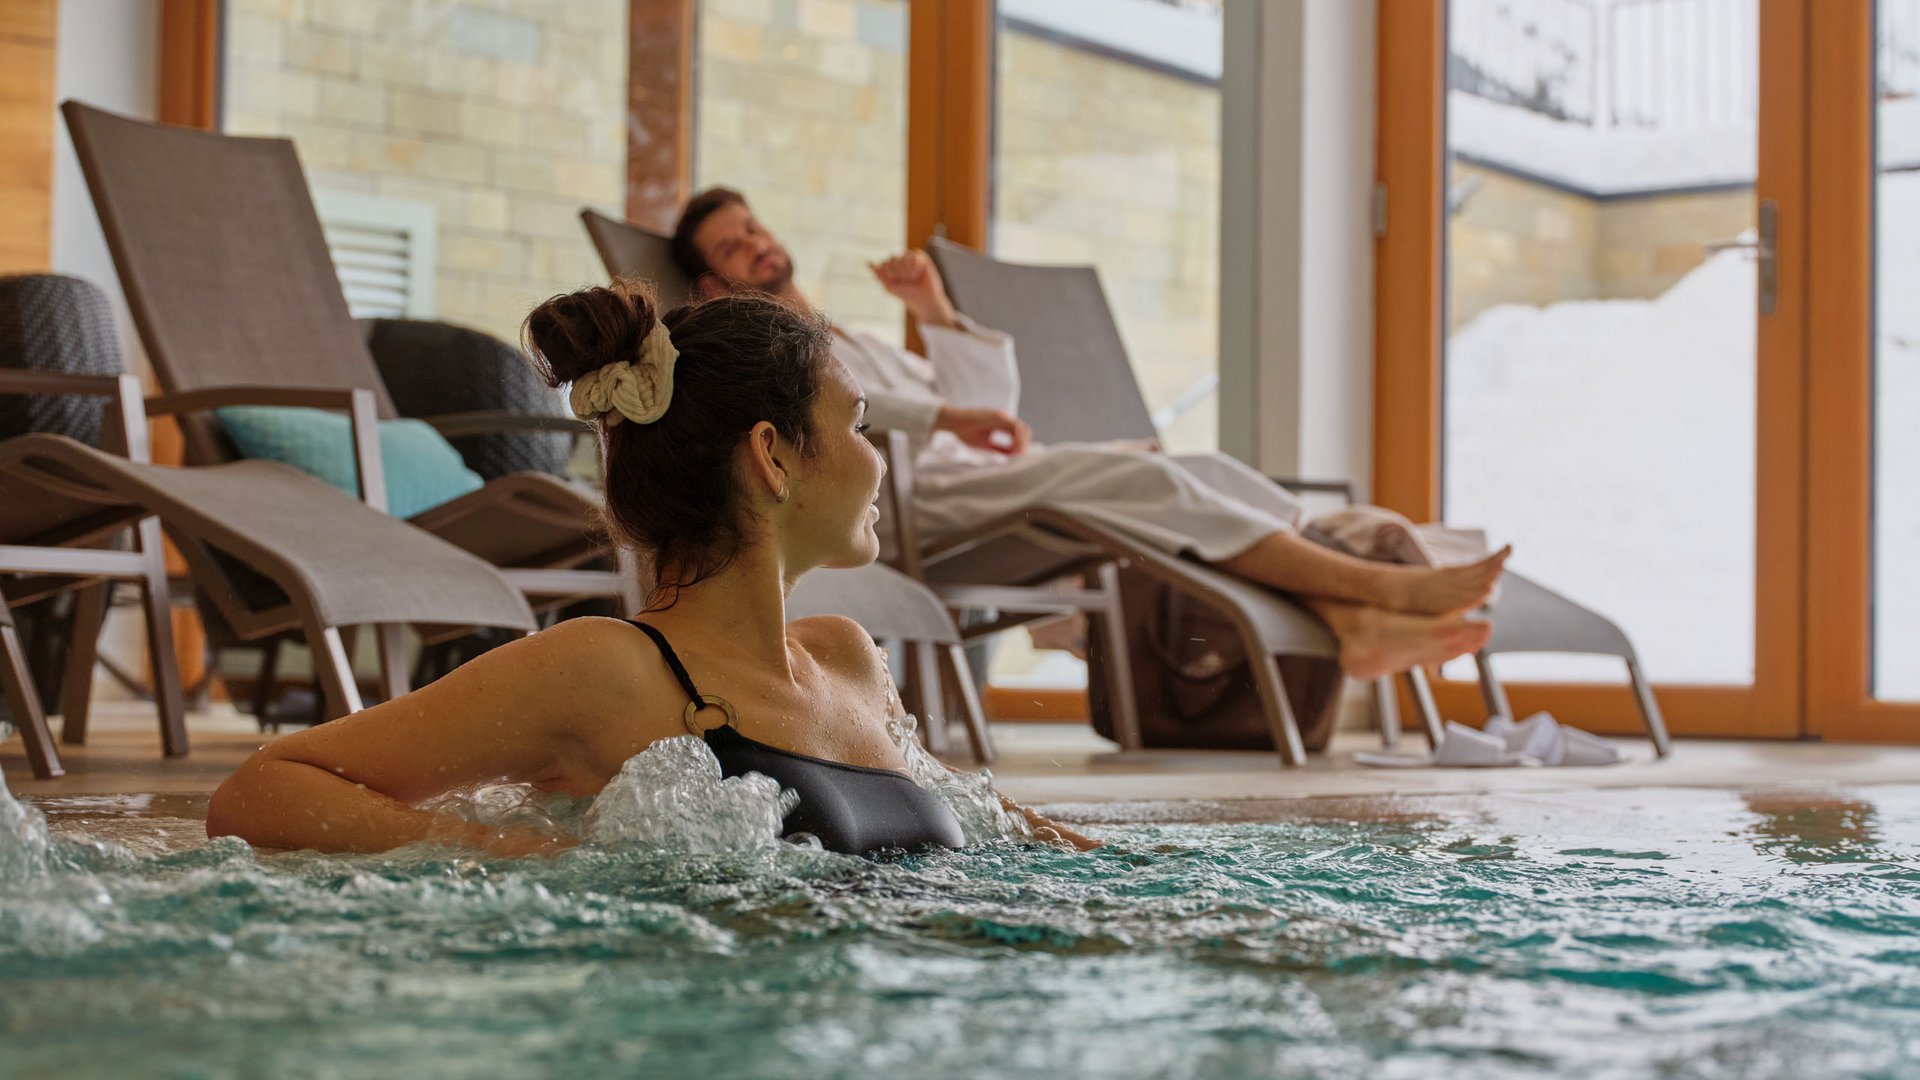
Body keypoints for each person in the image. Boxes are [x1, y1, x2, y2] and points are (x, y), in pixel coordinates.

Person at [206, 286, 1095, 857]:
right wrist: (513, 854)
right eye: (858, 425)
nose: (877, 459)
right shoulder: (606, 669)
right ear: (773, 457)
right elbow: (263, 792)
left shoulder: (849, 658)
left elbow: (996, 834)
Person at [670, 188, 1507, 679]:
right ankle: (1379, 591)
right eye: (733, 246)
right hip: (915, 500)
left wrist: (933, 312)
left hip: (967, 471)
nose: (757, 245)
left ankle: (1348, 614)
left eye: (755, 229)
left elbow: (989, 396)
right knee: (1154, 483)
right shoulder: (762, 355)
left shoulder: (847, 336)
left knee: (1197, 464)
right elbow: (840, 423)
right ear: (711, 283)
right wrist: (949, 417)